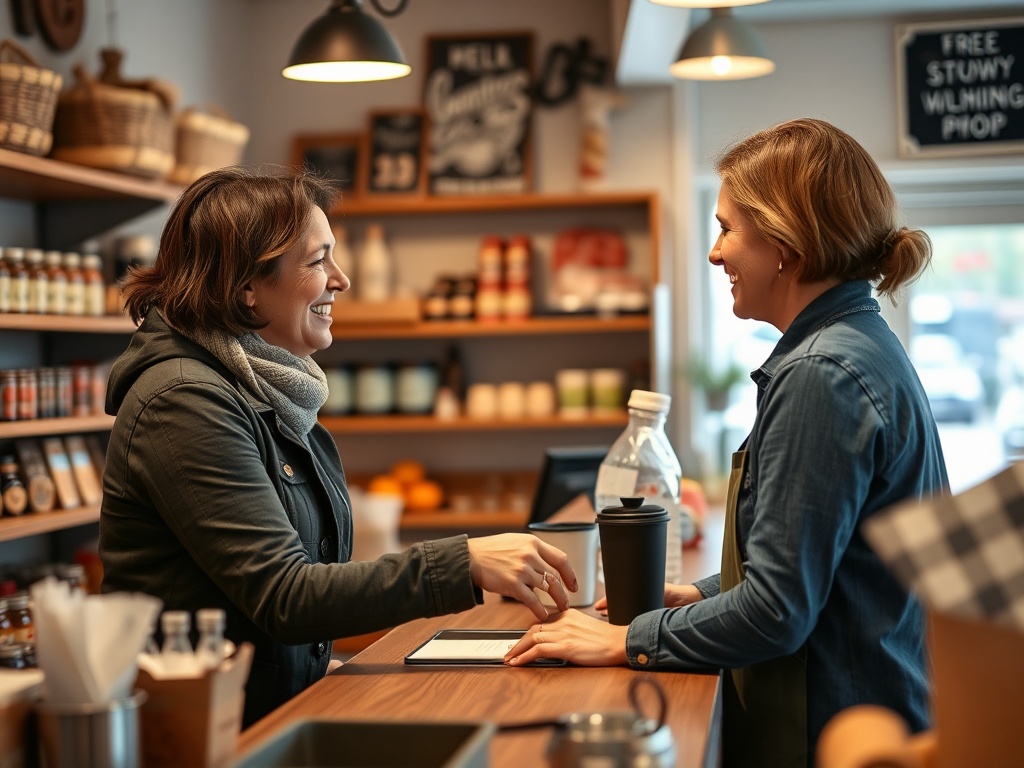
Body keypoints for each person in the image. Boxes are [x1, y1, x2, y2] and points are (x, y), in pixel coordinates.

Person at [504, 118, 949, 767]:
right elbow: (821, 562)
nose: (715, 254)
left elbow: (777, 612)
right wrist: (708, 593)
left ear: (785, 244)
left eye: (726, 229)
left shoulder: (820, 375)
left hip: (835, 736)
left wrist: (627, 640)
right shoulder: (858, 346)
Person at [99, 165, 577, 727]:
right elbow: (284, 594)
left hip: (266, 713)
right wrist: (464, 562)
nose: (341, 279)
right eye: (317, 260)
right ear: (246, 287)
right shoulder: (182, 401)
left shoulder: (268, 390)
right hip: (205, 735)